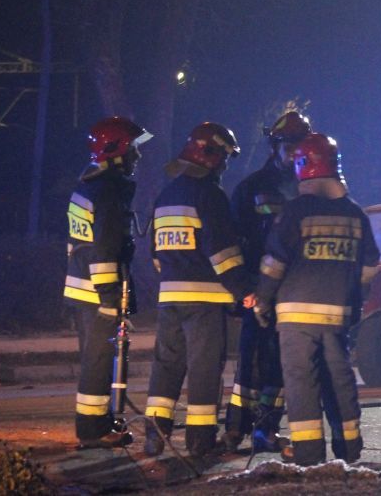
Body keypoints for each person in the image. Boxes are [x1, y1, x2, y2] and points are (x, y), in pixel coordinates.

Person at [254, 133, 380, 466]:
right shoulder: (355, 214)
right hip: (337, 315)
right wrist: (356, 301)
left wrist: (262, 301)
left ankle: (309, 455)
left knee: (301, 383)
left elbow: (274, 263)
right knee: (340, 380)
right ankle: (349, 449)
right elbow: (370, 264)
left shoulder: (295, 212)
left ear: (302, 166)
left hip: (295, 317)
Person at [145, 122, 250, 457]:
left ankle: (154, 434)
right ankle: (200, 441)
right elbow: (223, 254)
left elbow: (155, 253)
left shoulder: (166, 196)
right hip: (205, 300)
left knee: (167, 365)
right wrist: (243, 290)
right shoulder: (210, 195)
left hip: (169, 297)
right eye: (225, 157)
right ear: (212, 154)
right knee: (204, 369)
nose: (226, 165)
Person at [224, 111, 312, 452]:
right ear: (275, 147)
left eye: (300, 148)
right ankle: (235, 429)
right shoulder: (252, 188)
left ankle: (266, 430)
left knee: (278, 365)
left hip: (293, 292)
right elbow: (234, 241)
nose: (294, 155)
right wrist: (245, 288)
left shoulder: (309, 188)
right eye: (289, 147)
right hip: (258, 289)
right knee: (250, 360)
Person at [65, 117, 151, 448]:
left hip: (82, 288)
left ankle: (97, 423)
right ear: (116, 151)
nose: (137, 156)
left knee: (95, 360)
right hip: (97, 293)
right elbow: (103, 250)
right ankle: (92, 431)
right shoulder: (108, 192)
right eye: (133, 150)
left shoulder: (88, 185)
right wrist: (110, 299)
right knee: (98, 362)